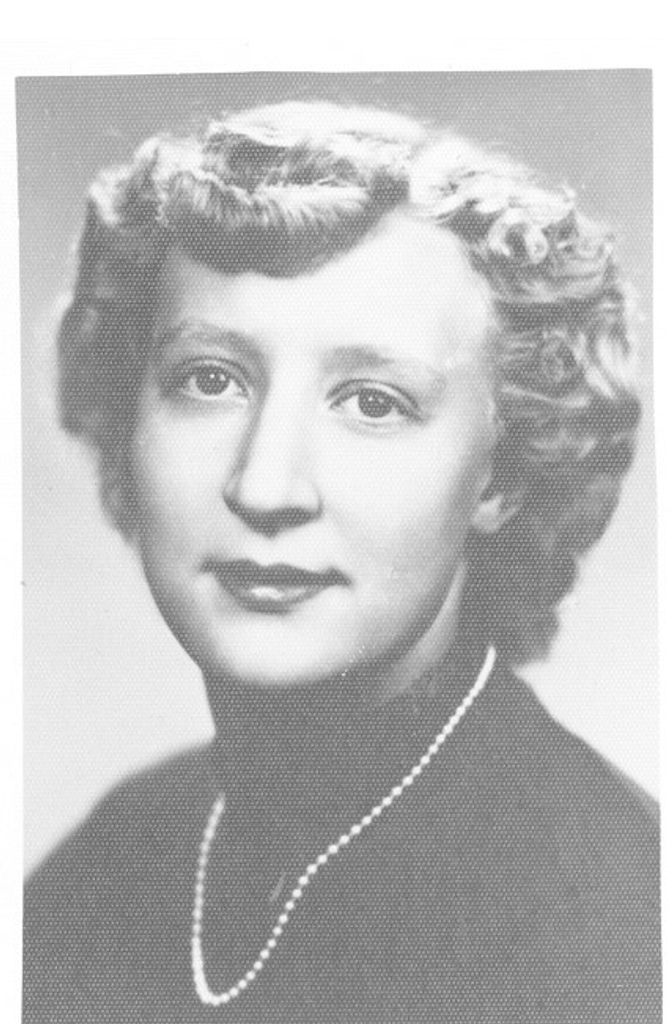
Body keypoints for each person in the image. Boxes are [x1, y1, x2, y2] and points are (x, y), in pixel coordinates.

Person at [23, 100, 660, 1023]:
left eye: (372, 401)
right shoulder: (119, 856)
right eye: (210, 379)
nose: (266, 485)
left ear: (504, 474)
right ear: (130, 421)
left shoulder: (609, 913)